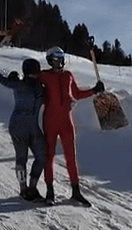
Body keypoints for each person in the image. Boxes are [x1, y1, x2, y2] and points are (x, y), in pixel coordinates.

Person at [37, 46, 104, 207]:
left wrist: (94, 90)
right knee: (49, 156)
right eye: (54, 59)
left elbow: (76, 94)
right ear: (49, 60)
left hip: (66, 121)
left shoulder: (68, 75)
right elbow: (29, 83)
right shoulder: (44, 76)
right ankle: (50, 191)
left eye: (60, 59)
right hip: (50, 121)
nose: (58, 62)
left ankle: (76, 191)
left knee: (71, 158)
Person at [0, 58, 47, 201]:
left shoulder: (28, 86)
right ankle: (25, 189)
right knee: (27, 157)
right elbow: (4, 81)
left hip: (24, 126)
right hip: (22, 126)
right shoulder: (28, 86)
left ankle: (29, 188)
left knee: (38, 157)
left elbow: (4, 81)